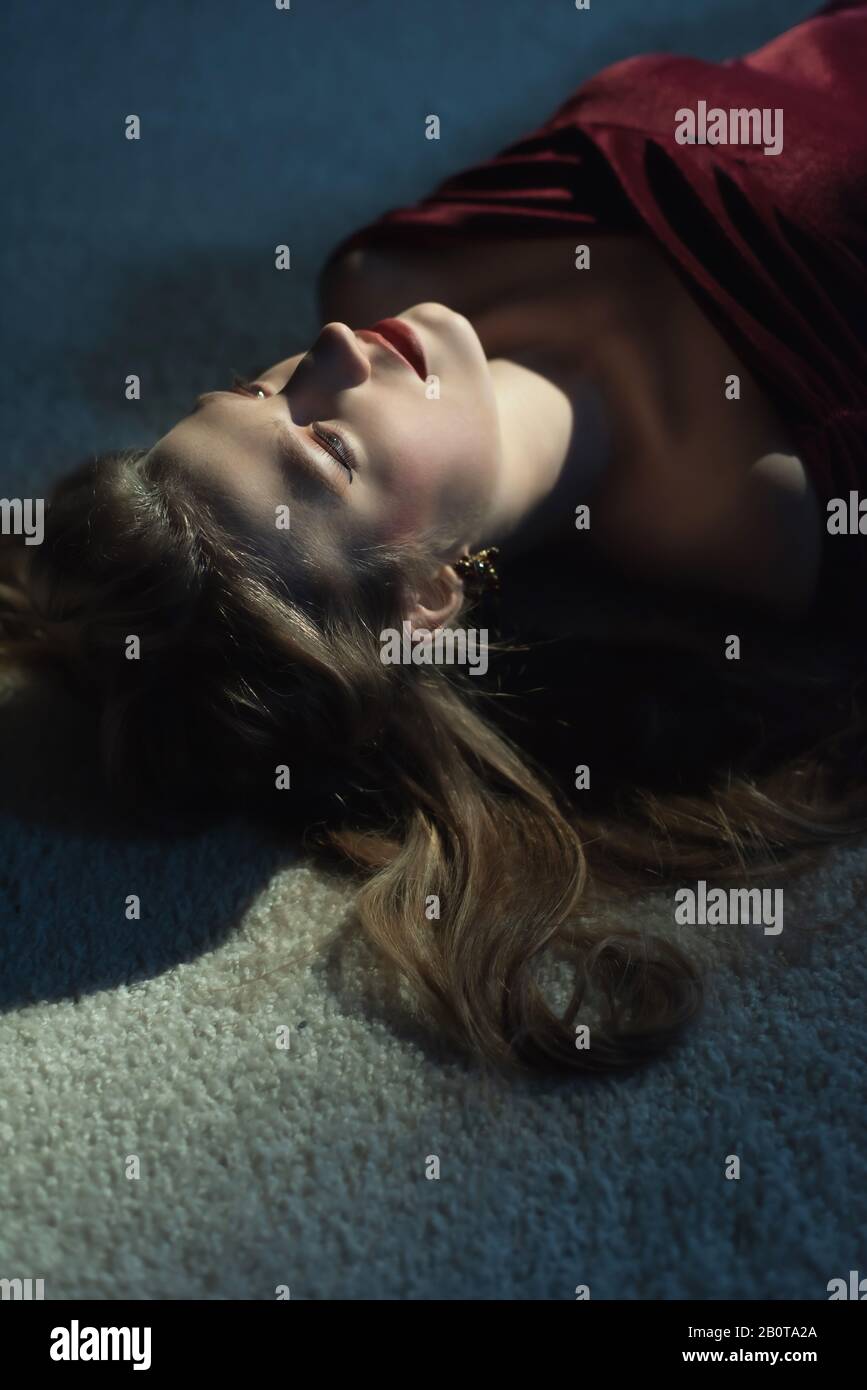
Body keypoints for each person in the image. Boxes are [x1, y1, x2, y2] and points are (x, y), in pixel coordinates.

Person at [2, 0, 866, 1074]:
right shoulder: (771, 518)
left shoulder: (379, 275)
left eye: (251, 388)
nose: (324, 351)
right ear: (426, 597)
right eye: (324, 448)